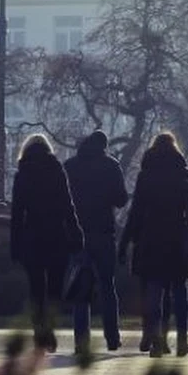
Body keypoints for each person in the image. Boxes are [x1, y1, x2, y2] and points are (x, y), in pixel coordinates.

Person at [118, 132, 188, 358]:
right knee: (179, 289)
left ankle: (157, 341)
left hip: (151, 238)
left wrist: (124, 243)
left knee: (154, 289)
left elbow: (136, 212)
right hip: (177, 237)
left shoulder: (146, 176)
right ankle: (182, 340)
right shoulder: (185, 175)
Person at [10, 134, 85, 353]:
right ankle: (49, 329)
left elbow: (17, 213)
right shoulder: (56, 170)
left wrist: (15, 245)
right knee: (54, 289)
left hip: (31, 236)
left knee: (36, 288)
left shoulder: (22, 174)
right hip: (56, 236)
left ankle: (38, 332)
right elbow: (66, 205)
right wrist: (76, 233)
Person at [63, 130, 128, 353]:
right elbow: (121, 199)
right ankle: (112, 337)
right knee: (107, 285)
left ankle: (82, 341)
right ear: (104, 146)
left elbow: (63, 200)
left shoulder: (70, 166)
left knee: (82, 287)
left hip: (77, 234)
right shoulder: (111, 166)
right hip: (103, 233)